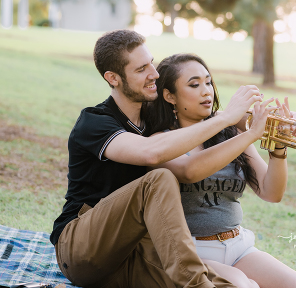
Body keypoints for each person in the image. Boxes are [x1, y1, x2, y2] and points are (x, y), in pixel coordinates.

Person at [51, 29, 261, 287]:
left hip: (133, 255)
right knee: (158, 180)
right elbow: (151, 151)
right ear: (113, 78)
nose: (155, 73)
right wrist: (227, 118)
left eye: (151, 62)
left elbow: (186, 138)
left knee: (236, 285)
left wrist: (238, 122)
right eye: (141, 69)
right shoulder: (95, 121)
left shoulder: (155, 122)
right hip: (82, 249)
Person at [143, 53, 296, 288]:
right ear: (169, 96)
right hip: (192, 250)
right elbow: (189, 171)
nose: (207, 91)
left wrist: (279, 147)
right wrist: (250, 134)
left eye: (208, 82)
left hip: (238, 245)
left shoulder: (231, 134)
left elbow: (271, 192)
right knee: (244, 287)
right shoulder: (160, 141)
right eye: (194, 84)